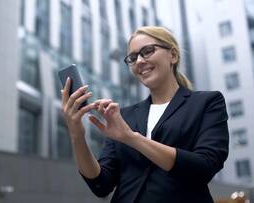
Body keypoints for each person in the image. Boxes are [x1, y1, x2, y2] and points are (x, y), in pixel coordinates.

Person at [61, 26, 229, 203]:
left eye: (147, 51)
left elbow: (204, 167)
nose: (139, 61)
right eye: (133, 58)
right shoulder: (123, 117)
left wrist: (131, 138)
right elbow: (101, 184)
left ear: (173, 55)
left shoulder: (207, 103)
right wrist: (77, 135)